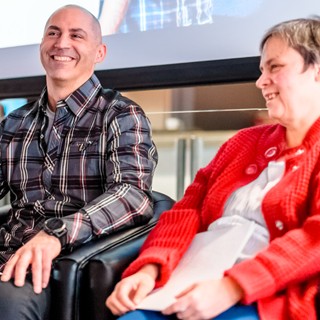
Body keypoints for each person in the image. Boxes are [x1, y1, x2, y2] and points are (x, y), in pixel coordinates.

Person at [106, 17, 320, 320]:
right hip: (188, 284)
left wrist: (232, 287)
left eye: (275, 67)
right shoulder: (243, 142)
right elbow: (185, 211)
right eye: (262, 71)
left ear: (316, 71)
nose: (261, 82)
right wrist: (149, 270)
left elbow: (315, 239)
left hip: (260, 298)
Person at [0, 4, 157, 320]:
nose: (61, 44)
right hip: (8, 251)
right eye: (53, 33)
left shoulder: (121, 115)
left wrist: (57, 233)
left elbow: (133, 196)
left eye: (76, 35)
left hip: (60, 261)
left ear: (99, 52)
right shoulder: (15, 122)